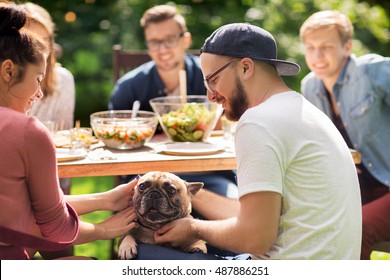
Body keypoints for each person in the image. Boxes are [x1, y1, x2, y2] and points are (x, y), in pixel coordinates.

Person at [137, 22, 362, 260]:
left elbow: (254, 238)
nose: (210, 96)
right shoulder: (304, 109)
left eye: (213, 79)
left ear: (245, 68)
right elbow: (254, 216)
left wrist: (193, 228)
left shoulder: (258, 121)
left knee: (143, 255)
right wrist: (184, 193)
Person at [0, 2, 137, 260]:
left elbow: (28, 211)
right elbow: (55, 227)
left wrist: (107, 199)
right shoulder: (27, 131)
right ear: (9, 70)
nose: (39, 93)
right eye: (37, 78)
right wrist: (104, 229)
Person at [108, 5, 238, 200]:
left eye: (170, 40)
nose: (163, 50)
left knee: (236, 206)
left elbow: (230, 125)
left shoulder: (212, 79)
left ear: (185, 40)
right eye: (154, 42)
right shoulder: (129, 87)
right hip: (148, 179)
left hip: (207, 175)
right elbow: (115, 139)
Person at [299, 10, 390, 260]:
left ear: (347, 46)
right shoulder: (310, 86)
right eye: (310, 47)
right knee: (308, 224)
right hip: (355, 186)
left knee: (357, 230)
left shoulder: (374, 71)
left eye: (326, 47)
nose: (317, 56)